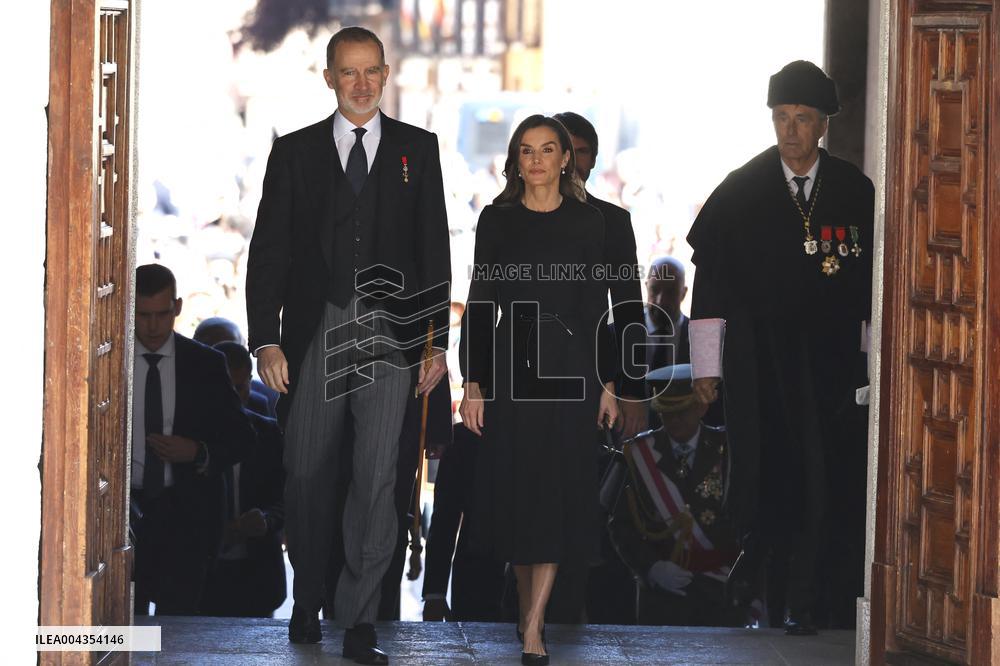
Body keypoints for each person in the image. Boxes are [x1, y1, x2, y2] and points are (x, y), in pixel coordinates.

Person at [245, 26, 450, 663]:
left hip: (390, 334)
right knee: (304, 474)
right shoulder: (295, 152)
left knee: (377, 479)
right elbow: (268, 252)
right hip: (315, 333)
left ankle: (360, 616)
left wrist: (435, 342)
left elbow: (434, 252)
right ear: (330, 77)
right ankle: (307, 597)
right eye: (348, 72)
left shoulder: (420, 149)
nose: (361, 84)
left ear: (385, 75)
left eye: (371, 72)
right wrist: (266, 341)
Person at [686, 60, 874, 635]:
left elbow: (874, 287)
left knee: (823, 480)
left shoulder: (853, 191)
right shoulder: (740, 190)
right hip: (756, 363)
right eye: (782, 117)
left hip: (829, 365)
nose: (790, 130)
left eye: (802, 119)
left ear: (822, 126)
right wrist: (706, 367)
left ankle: (805, 601)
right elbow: (709, 287)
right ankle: (760, 591)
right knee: (765, 478)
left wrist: (878, 361)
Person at [459, 114, 619, 665]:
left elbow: (598, 309)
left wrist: (608, 383)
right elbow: (480, 301)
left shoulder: (589, 223)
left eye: (548, 150)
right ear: (516, 159)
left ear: (564, 159)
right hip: (511, 364)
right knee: (522, 496)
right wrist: (473, 381)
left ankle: (533, 625)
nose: (537, 160)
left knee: (555, 493)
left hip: (572, 367)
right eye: (526, 151)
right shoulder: (496, 221)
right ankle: (531, 615)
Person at [130, 264, 253, 616]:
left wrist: (199, 451)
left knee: (177, 639)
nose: (152, 326)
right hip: (125, 518)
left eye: (162, 314)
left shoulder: (205, 364)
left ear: (178, 307)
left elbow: (243, 439)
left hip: (186, 521)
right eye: (142, 315)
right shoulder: (111, 359)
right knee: (120, 635)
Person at [608, 364, 741, 627]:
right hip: (663, 599)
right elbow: (620, 526)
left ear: (701, 407)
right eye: (667, 414)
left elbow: (748, 517)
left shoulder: (729, 449)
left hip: (720, 593)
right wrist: (651, 567)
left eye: (682, 412)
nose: (674, 421)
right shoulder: (637, 455)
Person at [553, 111, 647, 438]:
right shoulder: (510, 217)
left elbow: (629, 310)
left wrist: (633, 391)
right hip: (523, 368)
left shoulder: (613, 223)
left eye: (580, 151)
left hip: (590, 372)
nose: (570, 160)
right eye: (560, 148)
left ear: (592, 160)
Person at [200, 341, 287, 618]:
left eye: (240, 388)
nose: (234, 399)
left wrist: (265, 519)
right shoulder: (192, 436)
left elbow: (287, 500)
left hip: (258, 575)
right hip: (204, 577)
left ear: (250, 382)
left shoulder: (270, 435)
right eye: (227, 389)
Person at [422, 423, 506, 623]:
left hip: (533, 587)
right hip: (475, 585)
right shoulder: (465, 437)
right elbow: (444, 518)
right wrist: (435, 593)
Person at [193, 316, 278, 418]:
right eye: (213, 353)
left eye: (232, 351)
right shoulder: (180, 396)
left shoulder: (271, 398)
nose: (224, 361)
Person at [645, 256, 689, 370]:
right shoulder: (618, 334)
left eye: (670, 292)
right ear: (646, 287)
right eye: (655, 290)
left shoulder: (699, 338)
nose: (661, 301)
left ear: (683, 293)